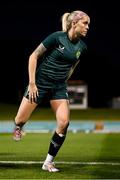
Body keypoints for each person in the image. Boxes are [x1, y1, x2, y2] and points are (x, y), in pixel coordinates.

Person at [13, 10, 90, 172]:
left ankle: (48, 162)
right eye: (85, 23)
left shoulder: (82, 47)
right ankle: (19, 127)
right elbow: (33, 56)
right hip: (39, 83)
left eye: (88, 24)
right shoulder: (56, 37)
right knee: (20, 120)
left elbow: (72, 67)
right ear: (74, 23)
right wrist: (32, 83)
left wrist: (63, 81)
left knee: (64, 123)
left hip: (59, 87)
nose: (88, 27)